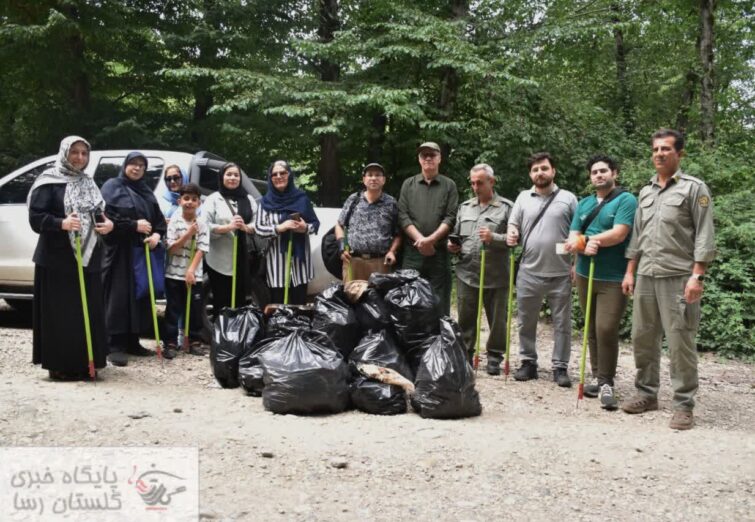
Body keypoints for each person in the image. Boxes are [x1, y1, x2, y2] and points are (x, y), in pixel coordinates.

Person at [621, 129, 716, 430]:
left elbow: (704, 234)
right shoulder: (646, 191)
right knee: (643, 338)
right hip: (646, 275)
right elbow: (637, 235)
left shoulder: (693, 189)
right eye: (655, 149)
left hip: (678, 277)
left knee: (680, 342)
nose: (659, 154)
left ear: (680, 154)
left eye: (666, 149)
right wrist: (630, 270)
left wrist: (697, 276)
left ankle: (684, 404)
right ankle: (646, 394)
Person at [27, 136, 114, 380]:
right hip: (57, 259)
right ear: (64, 153)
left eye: (84, 153)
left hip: (88, 257)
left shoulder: (88, 182)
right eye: (74, 152)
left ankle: (89, 362)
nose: (79, 158)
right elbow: (36, 218)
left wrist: (107, 225)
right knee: (62, 313)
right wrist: (61, 223)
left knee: (89, 309)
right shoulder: (48, 181)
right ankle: (61, 365)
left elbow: (99, 214)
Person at [564, 155, 637, 409]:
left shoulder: (626, 200)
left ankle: (607, 382)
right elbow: (573, 237)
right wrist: (581, 248)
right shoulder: (583, 203)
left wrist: (585, 241)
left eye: (603, 171)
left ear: (614, 173)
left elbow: (619, 233)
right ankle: (596, 375)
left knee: (606, 327)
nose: (599, 175)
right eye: (594, 172)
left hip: (613, 276)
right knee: (591, 327)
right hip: (586, 273)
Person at [507, 152, 577, 387]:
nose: (540, 173)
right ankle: (528, 362)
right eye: (535, 169)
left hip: (561, 272)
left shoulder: (568, 198)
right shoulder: (523, 197)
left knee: (562, 323)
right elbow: (513, 223)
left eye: (544, 168)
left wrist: (576, 264)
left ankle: (560, 366)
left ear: (553, 171)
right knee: (526, 321)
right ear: (530, 174)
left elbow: (577, 232)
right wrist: (512, 231)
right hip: (529, 270)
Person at [101, 151, 167, 367]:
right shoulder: (112, 186)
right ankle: (114, 344)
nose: (137, 168)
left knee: (140, 297)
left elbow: (158, 221)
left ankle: (133, 340)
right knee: (119, 297)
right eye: (133, 164)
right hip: (119, 252)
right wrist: (133, 225)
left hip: (142, 251)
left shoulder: (146, 191)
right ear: (125, 165)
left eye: (141, 165)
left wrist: (157, 234)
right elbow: (105, 218)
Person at [447, 163, 513, 375]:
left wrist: (494, 238)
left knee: (498, 320)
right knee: (465, 317)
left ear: (491, 182)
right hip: (467, 271)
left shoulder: (506, 208)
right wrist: (452, 246)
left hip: (497, 274)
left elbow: (514, 240)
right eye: (473, 183)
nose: (475, 187)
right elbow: (457, 235)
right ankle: (466, 353)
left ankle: (494, 357)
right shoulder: (465, 207)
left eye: (480, 183)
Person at [398, 142, 458, 315]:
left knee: (440, 301)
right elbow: (403, 215)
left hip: (438, 252)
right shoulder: (408, 185)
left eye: (432, 155)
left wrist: (431, 240)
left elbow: (451, 216)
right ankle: (412, 339)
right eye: (424, 155)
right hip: (412, 253)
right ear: (419, 159)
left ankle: (440, 338)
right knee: (409, 298)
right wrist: (421, 241)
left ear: (440, 158)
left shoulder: (449, 185)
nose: (428, 158)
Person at [255, 160, 320, 305]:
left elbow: (315, 224)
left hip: (299, 262)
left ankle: (299, 328)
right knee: (279, 303)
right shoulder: (265, 202)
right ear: (270, 178)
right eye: (274, 174)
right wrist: (279, 228)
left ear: (289, 175)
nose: (279, 176)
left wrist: (305, 228)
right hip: (277, 261)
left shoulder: (301, 198)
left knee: (299, 302)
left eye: (283, 173)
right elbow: (259, 228)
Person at [203, 162, 257, 316]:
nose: (232, 178)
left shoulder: (249, 199)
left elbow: (257, 224)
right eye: (229, 174)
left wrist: (245, 227)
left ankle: (238, 335)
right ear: (222, 177)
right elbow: (204, 225)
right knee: (221, 300)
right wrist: (227, 228)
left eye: (236, 175)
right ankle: (222, 335)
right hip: (218, 261)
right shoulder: (213, 199)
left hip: (242, 260)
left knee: (240, 301)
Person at [163, 183, 210, 358]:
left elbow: (202, 248)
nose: (190, 202)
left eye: (194, 199)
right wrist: (188, 234)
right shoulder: (174, 221)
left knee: (195, 309)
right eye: (186, 198)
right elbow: (171, 248)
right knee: (173, 308)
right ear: (180, 200)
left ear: (199, 203)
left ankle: (194, 341)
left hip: (194, 275)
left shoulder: (203, 223)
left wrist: (191, 270)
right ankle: (170, 342)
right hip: (173, 274)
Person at [334, 162, 401, 281]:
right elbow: (339, 225)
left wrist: (392, 251)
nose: (373, 178)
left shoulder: (391, 203)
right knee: (352, 297)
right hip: (353, 261)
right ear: (364, 179)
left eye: (377, 175)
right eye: (369, 175)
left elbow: (398, 233)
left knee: (378, 298)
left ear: (384, 180)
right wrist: (342, 247)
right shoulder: (353, 199)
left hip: (380, 262)